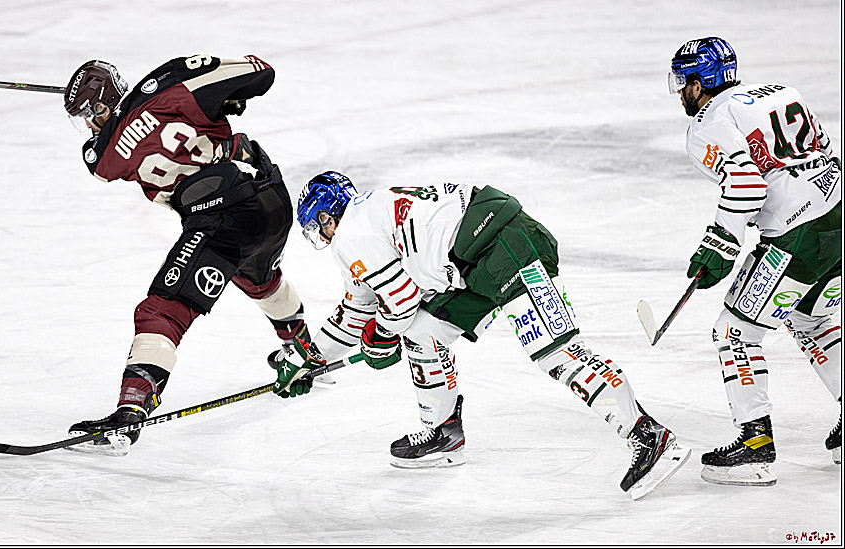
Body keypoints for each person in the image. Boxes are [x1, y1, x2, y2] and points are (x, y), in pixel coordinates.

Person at [273, 172, 690, 499]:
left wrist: (380, 337)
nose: (322, 236)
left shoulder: (353, 233)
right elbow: (356, 310)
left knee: (558, 355)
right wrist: (308, 359)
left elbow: (396, 304)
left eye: (318, 226)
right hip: (478, 263)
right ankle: (443, 432)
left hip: (507, 250)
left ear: (329, 215)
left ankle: (648, 435)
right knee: (423, 332)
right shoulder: (370, 216)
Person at [61, 54, 310, 455]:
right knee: (259, 279)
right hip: (271, 200)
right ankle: (303, 351)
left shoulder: (104, 157)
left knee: (162, 312)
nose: (88, 126)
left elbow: (100, 155)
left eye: (89, 116)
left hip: (224, 215)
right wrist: (226, 97)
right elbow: (261, 71)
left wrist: (126, 116)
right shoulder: (172, 86)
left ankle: (129, 415)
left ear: (104, 108)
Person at [668, 36, 842, 485]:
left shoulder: (708, 123)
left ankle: (754, 446)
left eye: (683, 81)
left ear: (698, 81)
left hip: (795, 237)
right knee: (815, 321)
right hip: (838, 217)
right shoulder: (781, 91)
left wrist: (719, 245)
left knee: (735, 331)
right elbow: (824, 148)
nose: (681, 92)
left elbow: (747, 185)